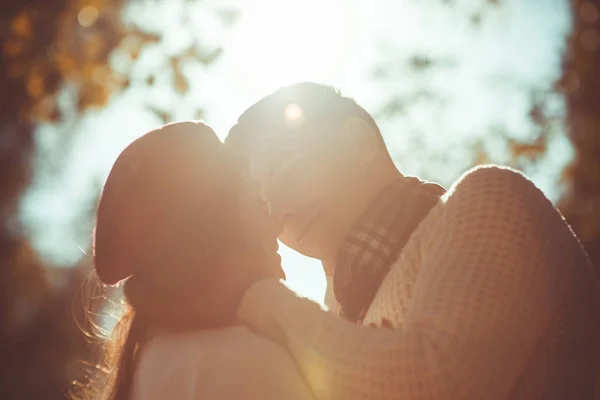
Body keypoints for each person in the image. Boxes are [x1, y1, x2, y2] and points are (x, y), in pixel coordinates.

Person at [225, 82, 600, 399]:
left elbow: (439, 383)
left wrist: (266, 301)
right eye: (262, 200)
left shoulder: (489, 200)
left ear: (359, 141)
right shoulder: (335, 330)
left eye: (283, 169)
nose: (278, 213)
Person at [90, 121, 314, 400]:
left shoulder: (160, 362)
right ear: (219, 230)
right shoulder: (243, 366)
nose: (275, 225)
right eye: (257, 201)